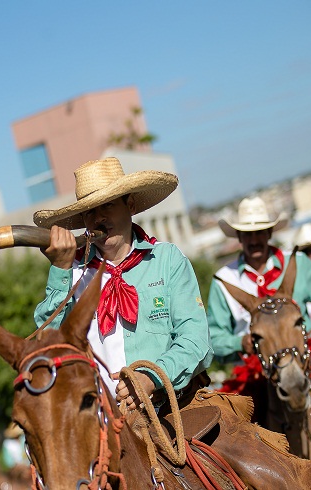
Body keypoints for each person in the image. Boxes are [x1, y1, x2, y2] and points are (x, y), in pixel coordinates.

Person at [33, 157, 213, 411]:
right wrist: (59, 269)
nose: (98, 218)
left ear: (129, 205)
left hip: (173, 408)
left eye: (107, 205)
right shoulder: (71, 274)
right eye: (89, 212)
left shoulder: (167, 258)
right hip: (103, 422)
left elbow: (195, 339)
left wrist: (152, 378)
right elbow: (48, 343)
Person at [207, 197, 311, 364]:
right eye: (248, 235)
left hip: (306, 363)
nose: (254, 240)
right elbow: (213, 339)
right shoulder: (224, 280)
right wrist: (240, 343)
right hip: (255, 372)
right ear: (239, 237)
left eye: (260, 232)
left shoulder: (297, 263)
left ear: (269, 233)